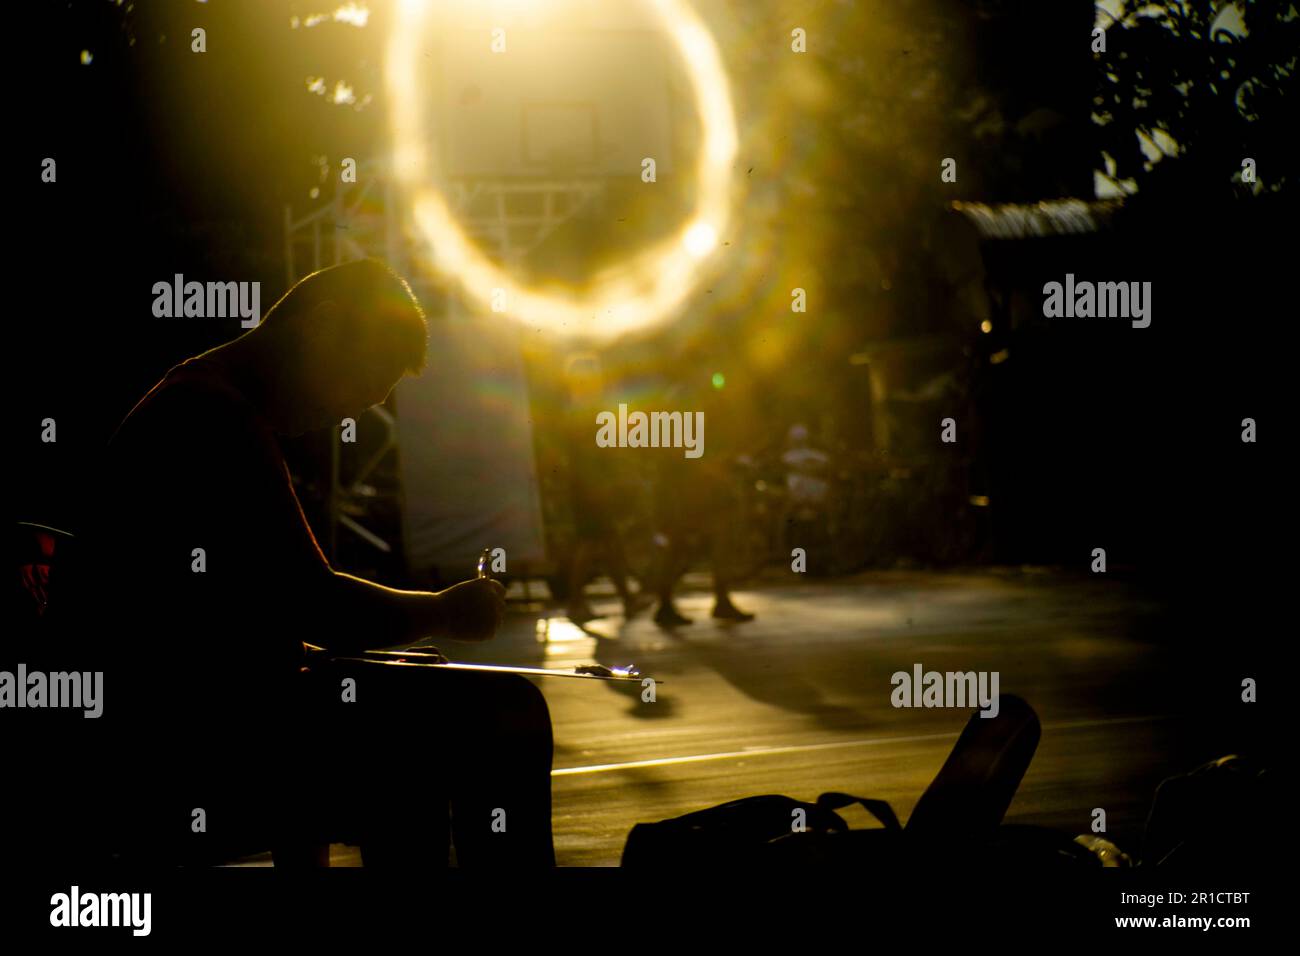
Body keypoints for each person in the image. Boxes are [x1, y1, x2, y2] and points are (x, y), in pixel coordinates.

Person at [88, 259, 555, 867]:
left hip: (187, 720)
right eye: (355, 390)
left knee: (410, 710)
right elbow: (316, 602)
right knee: (505, 716)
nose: (347, 418)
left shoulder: (201, 399)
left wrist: (357, 654)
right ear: (321, 329)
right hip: (180, 748)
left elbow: (235, 616)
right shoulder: (215, 417)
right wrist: (444, 610)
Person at [560, 353, 648, 624]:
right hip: (591, 486)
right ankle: (577, 603)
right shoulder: (585, 408)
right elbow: (593, 451)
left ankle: (627, 599)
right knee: (593, 544)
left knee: (608, 543)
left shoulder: (577, 406)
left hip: (587, 484)